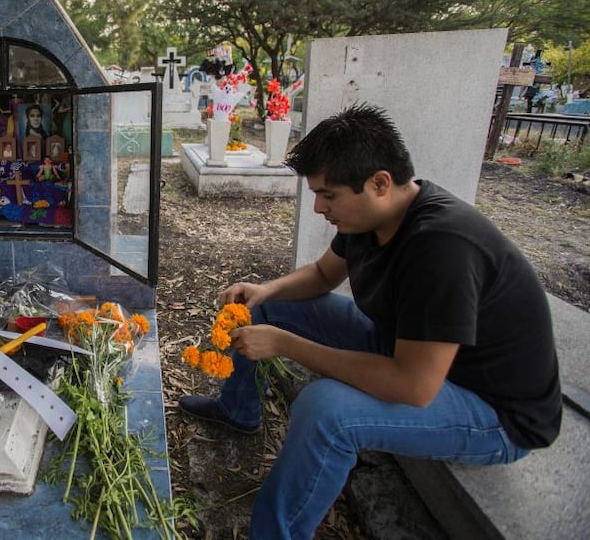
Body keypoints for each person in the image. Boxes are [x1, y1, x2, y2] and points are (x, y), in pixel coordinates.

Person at [179, 104, 561, 539]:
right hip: (408, 350)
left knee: (325, 411)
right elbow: (325, 275)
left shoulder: (441, 248)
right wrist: (266, 291)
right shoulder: (371, 217)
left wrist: (285, 344)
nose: (320, 208)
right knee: (263, 308)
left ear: (380, 182)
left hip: (492, 409)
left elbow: (412, 387)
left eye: (328, 194)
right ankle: (238, 409)